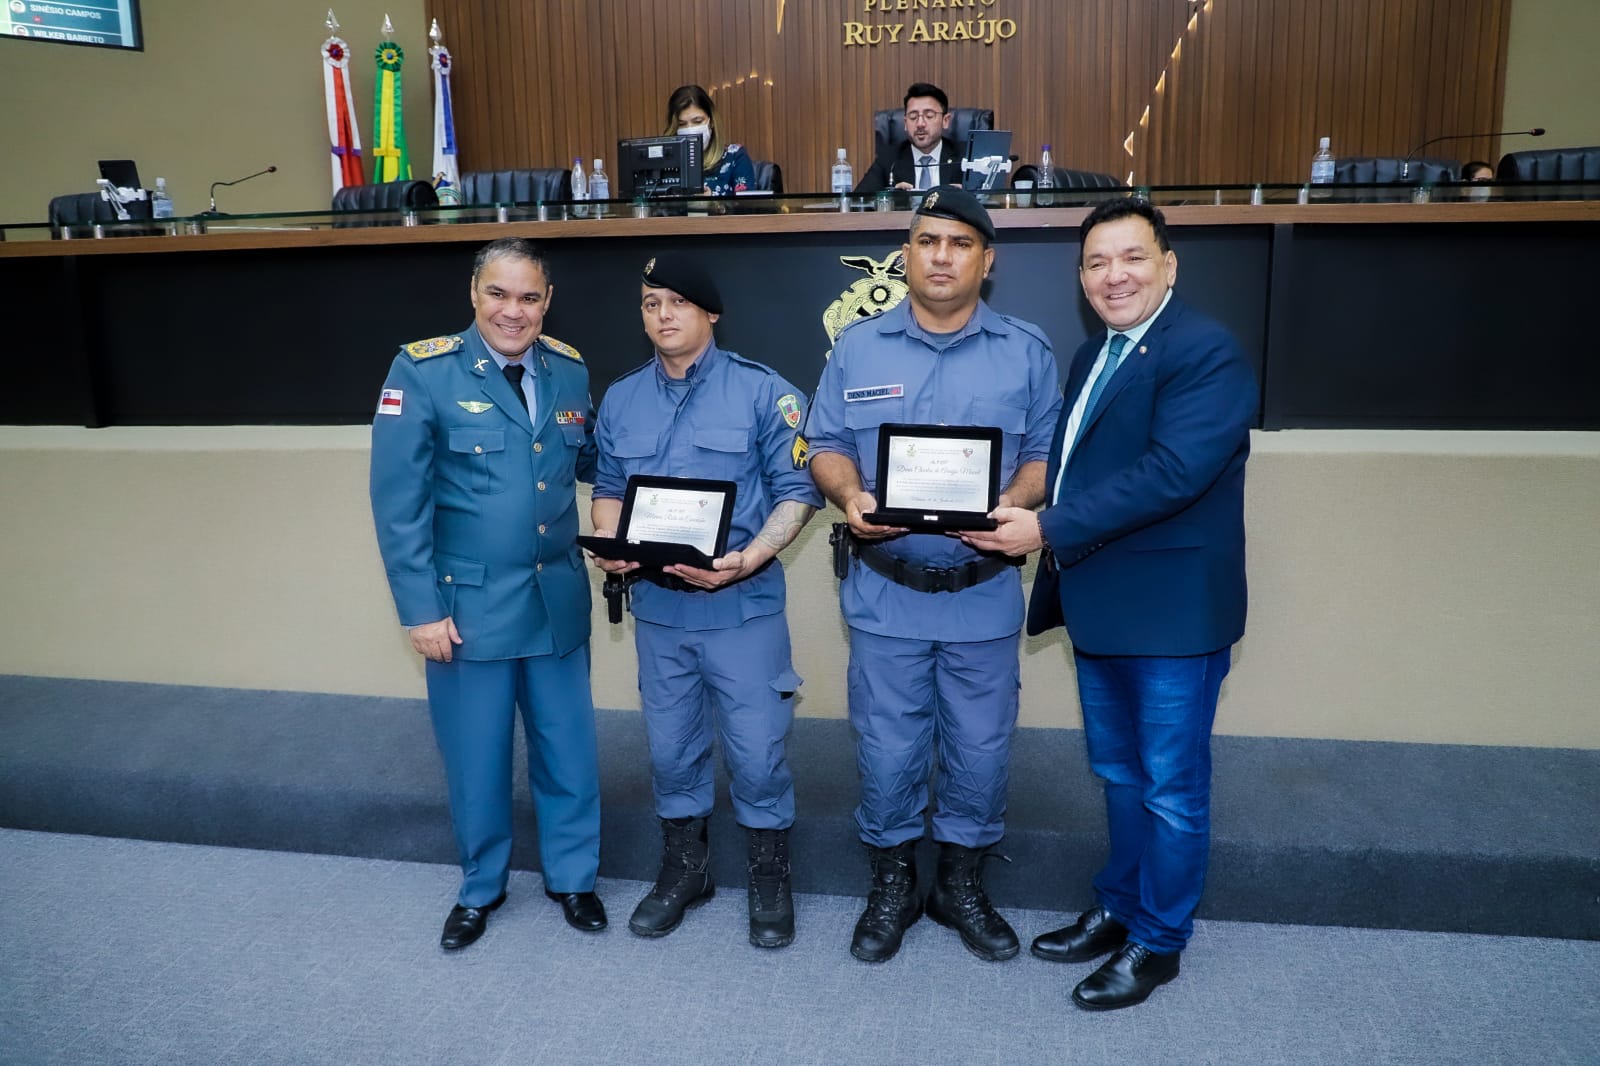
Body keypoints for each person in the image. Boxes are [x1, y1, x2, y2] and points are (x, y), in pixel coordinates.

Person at [965, 198, 1258, 1010]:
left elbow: (1174, 472)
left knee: (1169, 786)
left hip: (1171, 615)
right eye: (1096, 263)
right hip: (1104, 602)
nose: (1113, 275)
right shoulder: (1099, 352)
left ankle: (1159, 942)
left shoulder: (1205, 351)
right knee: (1122, 777)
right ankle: (1121, 908)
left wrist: (1045, 527)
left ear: (1169, 264)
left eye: (1131, 257)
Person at [805, 186, 1062, 963]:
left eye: (958, 243)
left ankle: (959, 883)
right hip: (887, 591)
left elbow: (1045, 459)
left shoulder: (1027, 350)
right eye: (926, 241)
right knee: (887, 747)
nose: (940, 255)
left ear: (987, 261)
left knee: (981, 748)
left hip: (980, 595)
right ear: (905, 255)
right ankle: (893, 881)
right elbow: (824, 443)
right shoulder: (857, 347)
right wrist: (850, 495)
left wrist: (1009, 504)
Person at [369, 237, 607, 950]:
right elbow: (396, 505)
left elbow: (596, 466)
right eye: (499, 294)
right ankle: (481, 887)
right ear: (475, 295)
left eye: (529, 297)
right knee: (476, 759)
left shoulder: (569, 372)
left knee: (569, 751)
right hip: (465, 611)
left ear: (547, 301)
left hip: (556, 600)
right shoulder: (423, 371)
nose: (514, 310)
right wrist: (420, 610)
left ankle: (574, 879)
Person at [590, 254, 821, 948]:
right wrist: (611, 538)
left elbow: (799, 491)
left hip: (741, 608)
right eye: (651, 302)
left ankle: (769, 881)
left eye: (678, 302)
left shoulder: (765, 393)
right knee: (671, 752)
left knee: (757, 754)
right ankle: (685, 871)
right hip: (660, 612)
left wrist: (750, 557)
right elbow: (606, 484)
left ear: (710, 313)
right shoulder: (623, 397)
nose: (662, 314)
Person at [854, 82, 965, 195]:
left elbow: (982, 200)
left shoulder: (964, 157)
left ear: (945, 121)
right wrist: (892, 198)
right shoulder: (890, 160)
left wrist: (967, 197)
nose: (920, 124)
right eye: (913, 117)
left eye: (929, 116)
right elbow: (858, 202)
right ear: (905, 123)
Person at [664, 84, 756, 196]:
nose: (690, 129)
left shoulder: (735, 157)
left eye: (697, 121)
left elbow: (748, 207)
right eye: (682, 124)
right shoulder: (665, 164)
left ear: (711, 122)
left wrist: (713, 202)